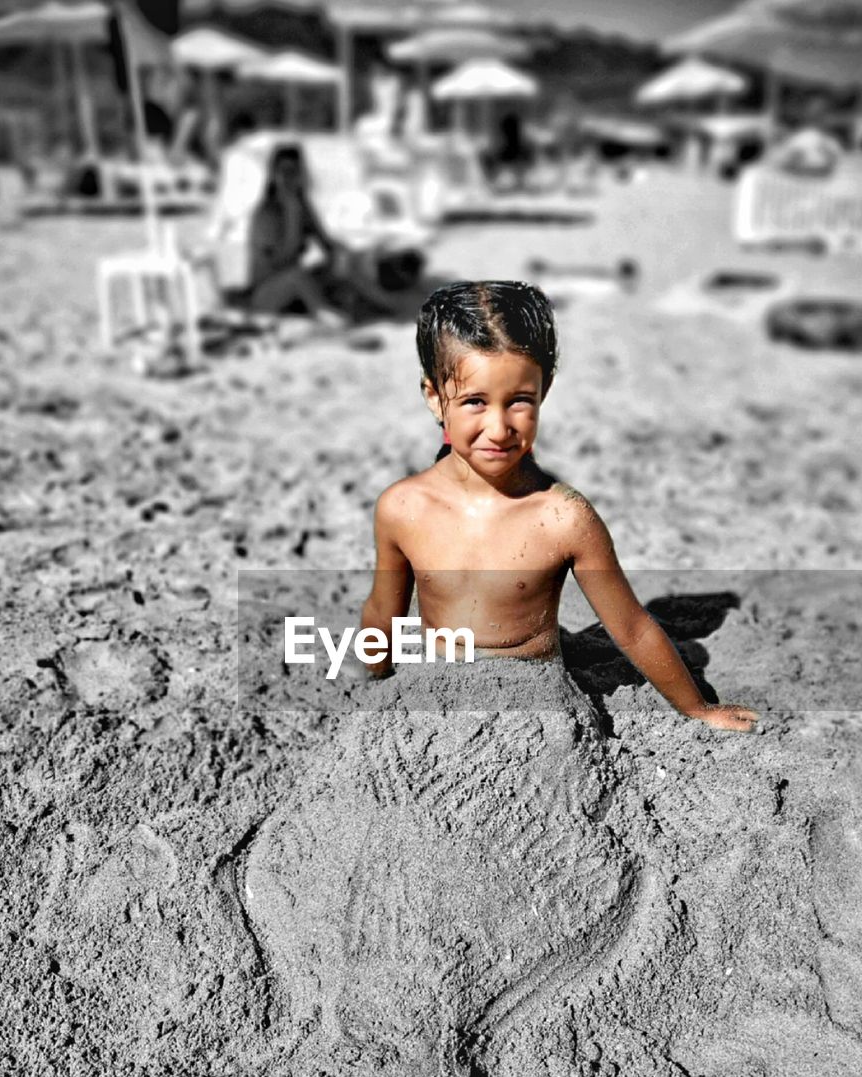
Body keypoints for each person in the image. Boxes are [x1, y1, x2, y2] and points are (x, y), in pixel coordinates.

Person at [360, 280, 759, 733]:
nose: (498, 427)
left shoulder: (562, 517)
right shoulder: (404, 507)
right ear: (434, 397)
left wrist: (698, 709)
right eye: (474, 402)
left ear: (543, 391)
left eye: (519, 402)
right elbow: (382, 612)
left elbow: (631, 627)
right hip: (434, 701)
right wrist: (376, 679)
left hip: (539, 719)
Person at [247, 143, 397, 324]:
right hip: (267, 292)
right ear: (273, 175)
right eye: (283, 171)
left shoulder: (302, 206)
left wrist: (347, 257)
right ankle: (324, 313)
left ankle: (379, 303)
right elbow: (279, 262)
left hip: (296, 290)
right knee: (298, 276)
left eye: (294, 171)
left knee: (340, 263)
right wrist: (292, 217)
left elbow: (327, 244)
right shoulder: (266, 213)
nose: (289, 178)